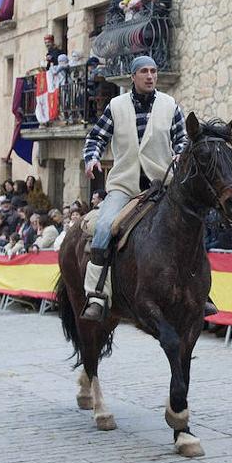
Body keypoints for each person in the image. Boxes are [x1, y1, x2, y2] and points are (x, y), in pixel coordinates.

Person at [80, 55, 189, 322]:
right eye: (144, 71)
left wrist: (180, 153)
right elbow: (96, 137)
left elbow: (183, 138)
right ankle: (97, 294)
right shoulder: (116, 106)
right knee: (105, 227)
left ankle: (199, 292)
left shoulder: (170, 104)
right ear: (133, 77)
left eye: (153, 71)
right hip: (125, 186)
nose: (150, 76)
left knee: (192, 226)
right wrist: (91, 158)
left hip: (162, 185)